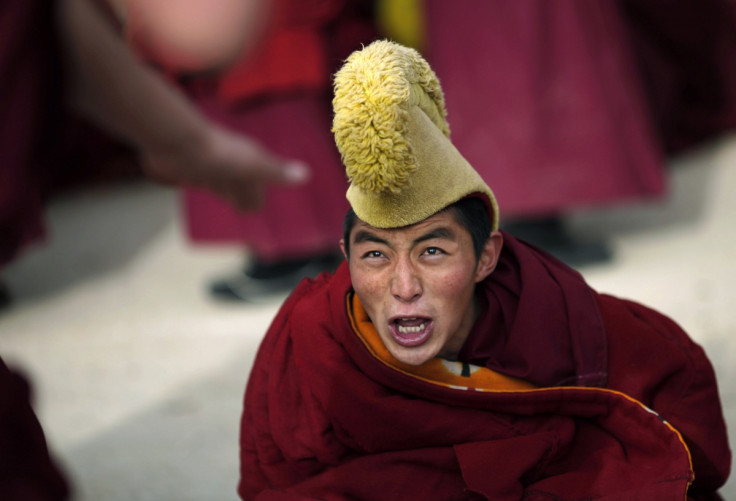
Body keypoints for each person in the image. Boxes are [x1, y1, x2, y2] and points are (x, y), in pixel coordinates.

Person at [238, 41, 730, 500]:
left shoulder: (564, 321)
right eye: (376, 255)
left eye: (432, 252)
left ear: (486, 257)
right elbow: (276, 482)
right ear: (346, 257)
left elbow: (687, 434)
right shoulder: (310, 339)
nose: (404, 287)